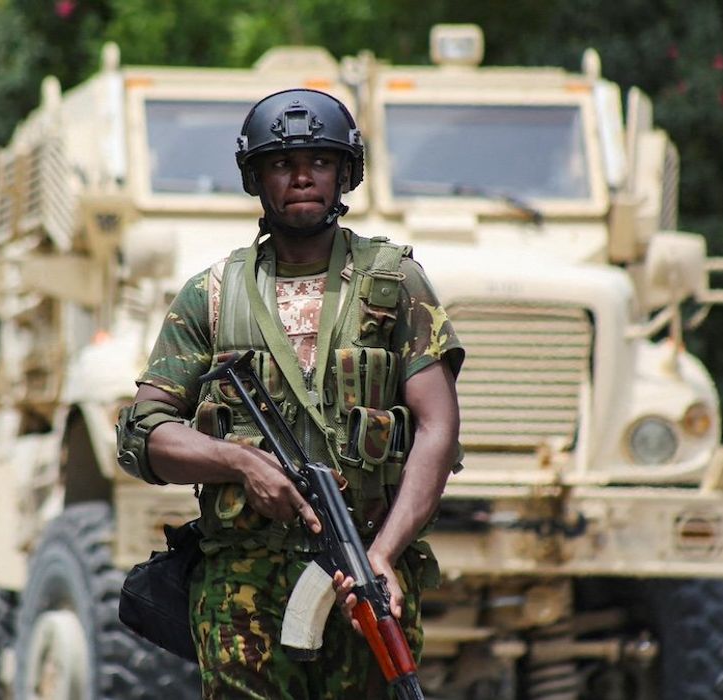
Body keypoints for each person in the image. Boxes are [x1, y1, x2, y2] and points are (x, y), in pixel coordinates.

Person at [116, 88, 463, 698]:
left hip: (366, 568)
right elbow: (145, 434)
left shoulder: (393, 284)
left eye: (319, 163)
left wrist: (382, 555)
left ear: (345, 174)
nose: (302, 178)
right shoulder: (213, 295)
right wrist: (242, 462)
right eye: (282, 164)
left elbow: (437, 428)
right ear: (256, 177)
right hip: (242, 588)